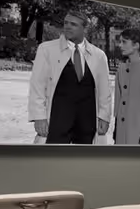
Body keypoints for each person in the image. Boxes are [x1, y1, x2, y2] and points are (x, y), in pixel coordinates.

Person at [27, 11, 112, 144]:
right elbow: (37, 86)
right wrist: (39, 117)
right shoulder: (47, 50)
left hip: (87, 121)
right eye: (66, 23)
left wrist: (104, 117)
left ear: (85, 28)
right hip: (57, 118)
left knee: (84, 161)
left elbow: (105, 90)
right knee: (53, 160)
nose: (67, 27)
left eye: (73, 24)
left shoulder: (99, 55)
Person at [113, 29, 140, 146]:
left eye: (124, 42)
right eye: (120, 42)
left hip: (139, 129)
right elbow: (118, 98)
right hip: (122, 128)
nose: (120, 45)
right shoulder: (121, 69)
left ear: (136, 46)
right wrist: (116, 125)